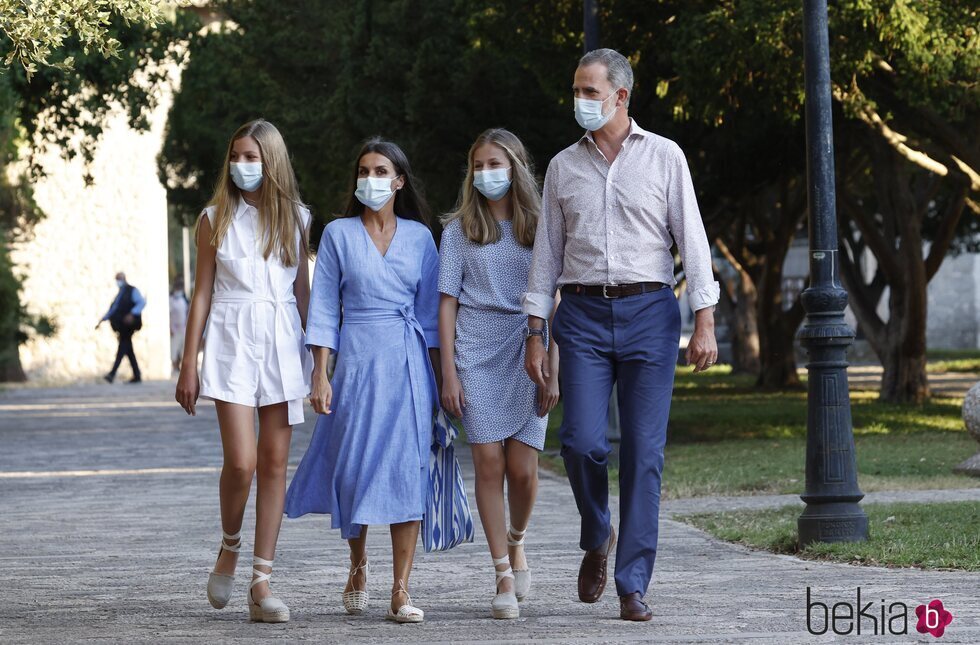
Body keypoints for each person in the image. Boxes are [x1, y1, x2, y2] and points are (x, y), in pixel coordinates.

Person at [523, 48, 719, 622]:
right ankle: (597, 534)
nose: (580, 100)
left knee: (644, 453)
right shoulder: (563, 166)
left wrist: (703, 319)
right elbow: (546, 256)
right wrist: (536, 331)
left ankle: (633, 582)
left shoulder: (665, 157)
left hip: (651, 313)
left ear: (620, 97)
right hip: (579, 316)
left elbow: (694, 239)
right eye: (577, 89)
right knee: (581, 442)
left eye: (590, 90)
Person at [284, 138, 441, 624]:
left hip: (408, 363)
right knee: (351, 470)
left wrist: (441, 381)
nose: (370, 178)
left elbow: (432, 316)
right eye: (364, 170)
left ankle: (401, 587)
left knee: (405, 470)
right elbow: (325, 306)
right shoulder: (338, 234)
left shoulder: (420, 238)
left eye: (381, 171)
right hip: (355, 360)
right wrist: (320, 373)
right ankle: (357, 563)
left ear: (399, 181)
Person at [175, 119, 313, 623]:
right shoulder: (215, 217)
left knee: (275, 463)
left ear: (271, 161)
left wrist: (320, 364)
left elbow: (303, 295)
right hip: (232, 338)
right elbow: (203, 293)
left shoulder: (298, 219)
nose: (241, 166)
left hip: (281, 339)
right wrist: (189, 362)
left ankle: (261, 580)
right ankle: (230, 542)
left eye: (251, 157)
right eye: (235, 157)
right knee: (242, 461)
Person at [437, 128, 559, 620]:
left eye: (495, 164)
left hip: (530, 344)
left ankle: (518, 538)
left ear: (515, 168)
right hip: (476, 348)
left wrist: (554, 361)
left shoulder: (544, 226)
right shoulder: (457, 231)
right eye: (478, 166)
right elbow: (446, 305)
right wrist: (448, 371)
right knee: (489, 464)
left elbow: (558, 295)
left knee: (523, 470)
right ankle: (501, 573)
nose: (486, 174)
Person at [96, 272, 145, 383]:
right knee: (128, 349)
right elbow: (114, 309)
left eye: (119, 279)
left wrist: (132, 314)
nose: (118, 282)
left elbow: (141, 302)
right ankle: (137, 374)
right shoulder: (120, 293)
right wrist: (103, 319)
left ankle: (112, 373)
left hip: (128, 326)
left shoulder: (132, 290)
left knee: (123, 346)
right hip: (121, 326)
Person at [169, 279, 189, 375]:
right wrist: (170, 327)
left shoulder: (184, 300)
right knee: (174, 348)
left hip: (183, 328)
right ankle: (174, 366)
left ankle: (180, 366)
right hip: (175, 328)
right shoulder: (171, 300)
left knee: (183, 348)